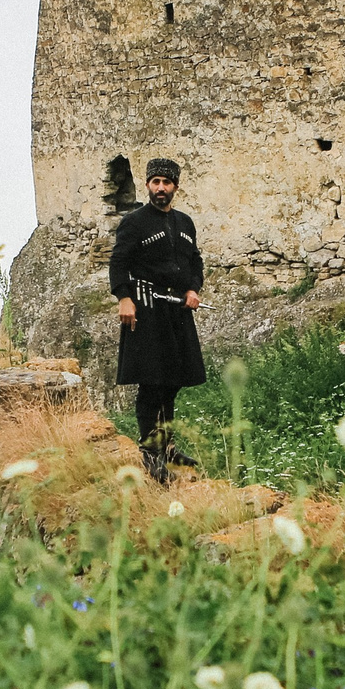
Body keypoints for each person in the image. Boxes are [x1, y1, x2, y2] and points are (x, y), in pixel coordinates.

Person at [110, 157, 205, 481]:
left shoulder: (185, 223)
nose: (160, 188)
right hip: (146, 311)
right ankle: (150, 452)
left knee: (172, 382)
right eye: (155, 182)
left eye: (166, 182)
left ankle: (167, 446)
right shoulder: (134, 223)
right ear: (148, 185)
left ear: (175, 186)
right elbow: (118, 263)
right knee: (152, 383)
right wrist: (124, 298)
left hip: (177, 311)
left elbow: (195, 262)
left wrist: (193, 288)